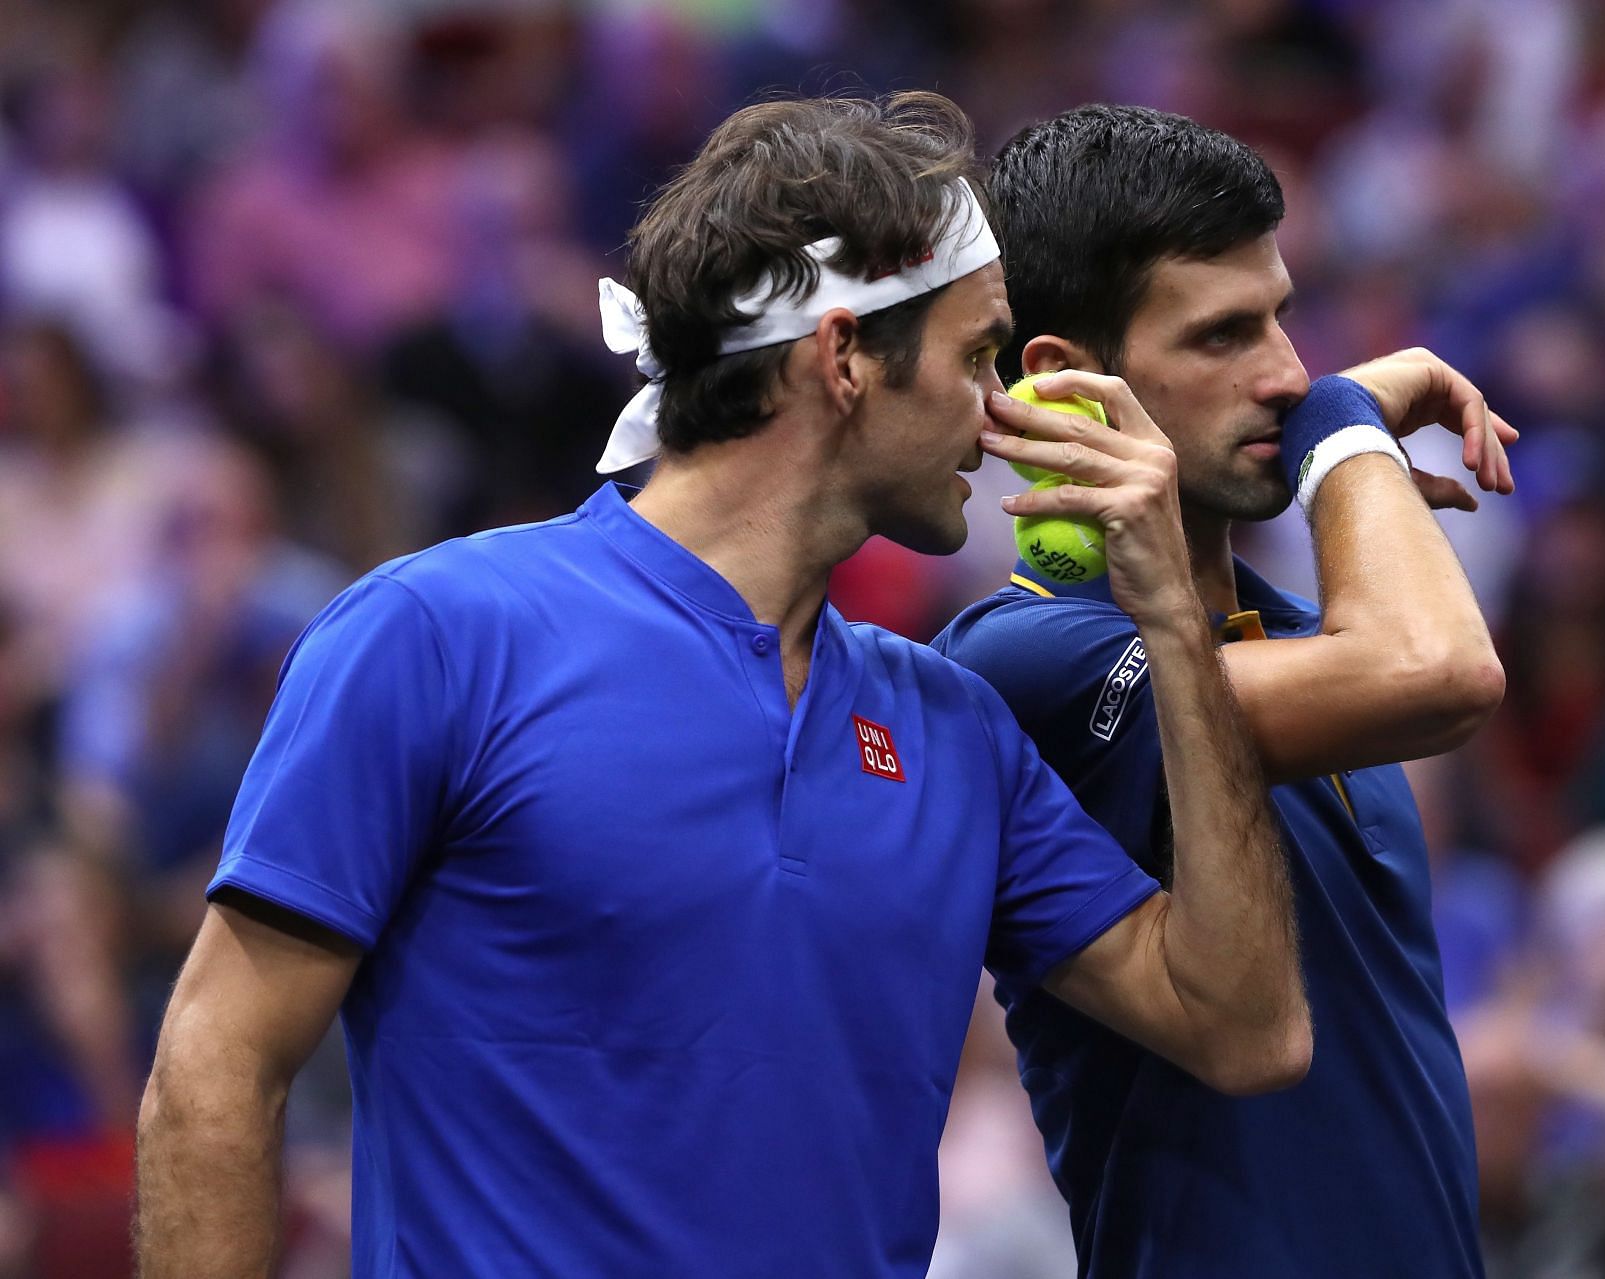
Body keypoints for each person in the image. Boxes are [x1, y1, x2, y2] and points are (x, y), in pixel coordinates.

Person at [134, 93, 1312, 1278]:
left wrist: (1172, 616)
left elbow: (1244, 1026)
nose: (1004, 410)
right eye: (973, 356)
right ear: (844, 357)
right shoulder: (436, 634)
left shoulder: (955, 729)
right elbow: (217, 1063)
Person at [933, 103, 1514, 1276]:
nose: (1290, 377)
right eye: (1221, 337)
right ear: (1066, 378)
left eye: (1284, 322)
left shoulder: (1301, 637)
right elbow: (1442, 670)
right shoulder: (1023, 660)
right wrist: (1347, 435)